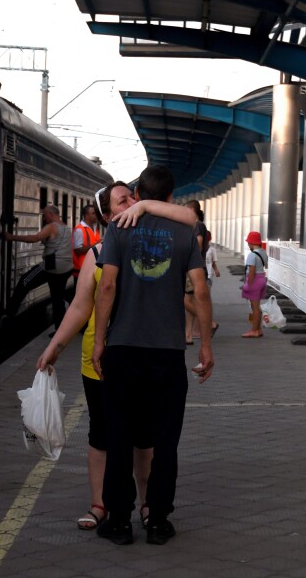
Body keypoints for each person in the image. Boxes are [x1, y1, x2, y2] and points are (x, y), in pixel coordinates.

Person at [36, 182, 197, 532]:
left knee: (143, 439)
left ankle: (146, 505)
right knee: (103, 436)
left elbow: (189, 218)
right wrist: (55, 348)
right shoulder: (97, 253)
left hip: (132, 356)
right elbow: (80, 307)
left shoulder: (153, 243)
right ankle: (101, 504)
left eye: (133, 198)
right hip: (100, 360)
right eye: (123, 201)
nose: (133, 204)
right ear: (108, 216)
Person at [92, 165, 213, 546]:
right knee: (165, 440)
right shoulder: (185, 232)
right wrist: (206, 345)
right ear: (172, 196)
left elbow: (107, 285)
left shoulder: (117, 228)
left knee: (119, 436)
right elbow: (201, 291)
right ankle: (158, 519)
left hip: (123, 348)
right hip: (167, 352)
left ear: (139, 192)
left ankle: (119, 522)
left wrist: (99, 341)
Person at [3, 205, 73, 332]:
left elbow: (35, 238)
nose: (44, 218)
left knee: (25, 281)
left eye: (45, 215)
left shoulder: (51, 226)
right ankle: (59, 331)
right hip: (66, 268)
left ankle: (9, 315)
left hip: (52, 266)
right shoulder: (66, 228)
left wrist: (12, 237)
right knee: (58, 299)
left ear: (51, 214)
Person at [183, 203, 216, 342]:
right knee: (190, 300)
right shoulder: (198, 225)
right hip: (196, 267)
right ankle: (188, 335)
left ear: (192, 210)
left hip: (193, 268)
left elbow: (199, 242)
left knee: (184, 300)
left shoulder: (197, 225)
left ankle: (210, 323)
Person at [240, 230, 268, 337]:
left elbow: (251, 271)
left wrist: (248, 285)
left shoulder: (252, 255)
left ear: (251, 243)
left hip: (254, 281)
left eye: (248, 242)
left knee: (254, 307)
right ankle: (258, 329)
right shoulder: (263, 252)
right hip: (262, 279)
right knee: (257, 306)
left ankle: (254, 330)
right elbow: (266, 265)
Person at [72, 204, 101, 279]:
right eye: (93, 213)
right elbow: (78, 250)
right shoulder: (79, 230)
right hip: (81, 270)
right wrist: (96, 245)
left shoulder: (95, 227)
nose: (96, 215)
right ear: (86, 215)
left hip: (93, 267)